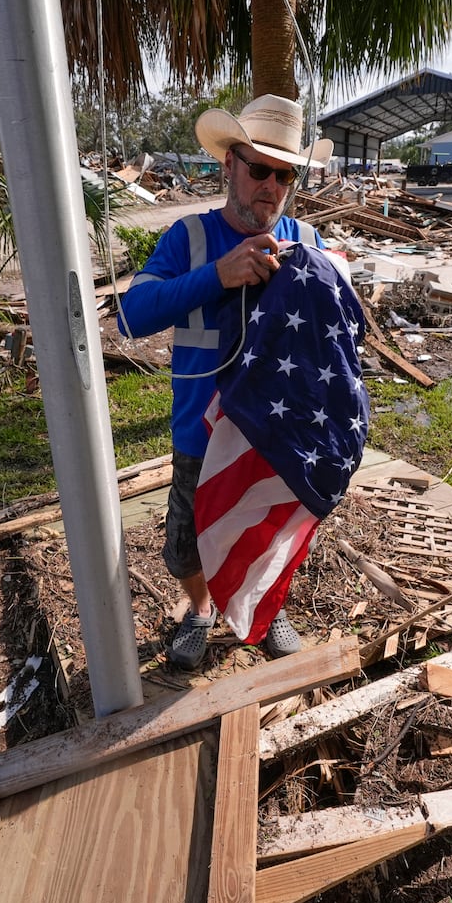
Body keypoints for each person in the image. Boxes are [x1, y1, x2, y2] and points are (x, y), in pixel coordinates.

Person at [118, 94, 335, 668]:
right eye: (258, 168)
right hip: (202, 431)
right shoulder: (187, 238)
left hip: (276, 431)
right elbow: (131, 316)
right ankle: (201, 611)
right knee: (184, 543)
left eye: (283, 174)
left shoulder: (308, 243)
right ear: (228, 166)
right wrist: (218, 274)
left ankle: (267, 608)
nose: (270, 184)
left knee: (274, 532)